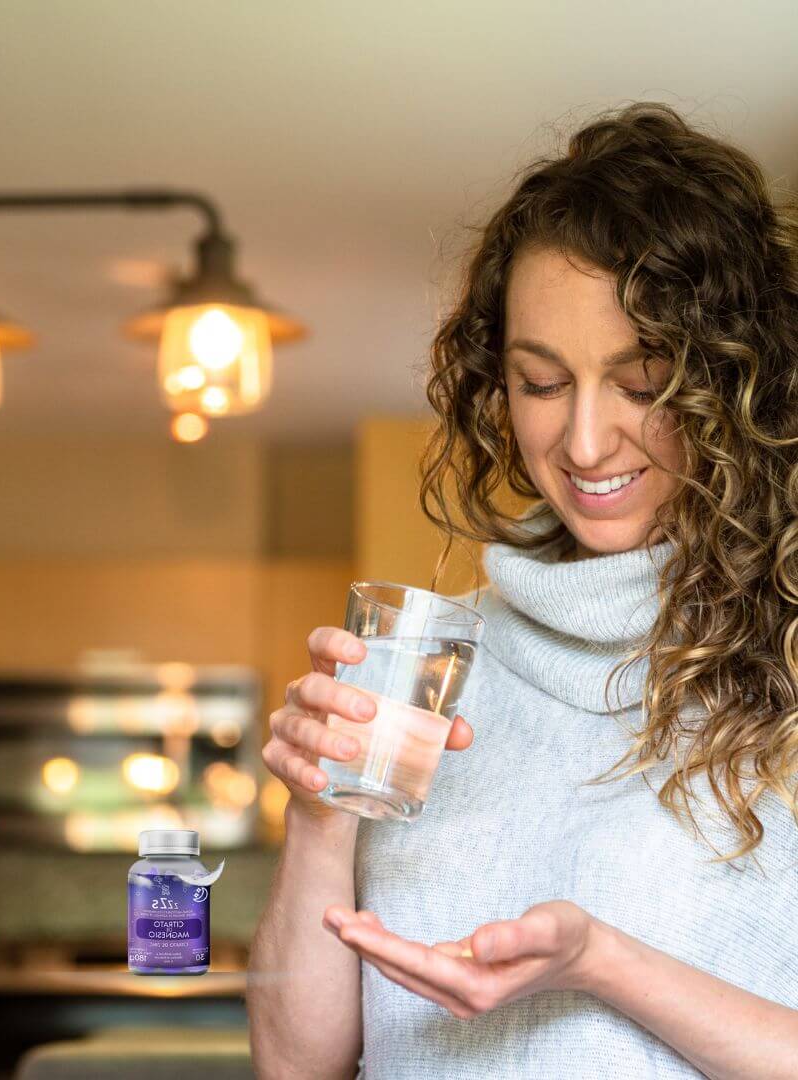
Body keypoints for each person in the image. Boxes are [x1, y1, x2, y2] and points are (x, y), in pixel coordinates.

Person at [246, 102, 798, 1079]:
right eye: (542, 383)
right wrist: (320, 817)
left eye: (643, 382)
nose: (584, 445)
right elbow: (299, 1067)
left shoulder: (784, 662)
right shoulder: (432, 680)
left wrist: (604, 964)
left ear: (734, 381)